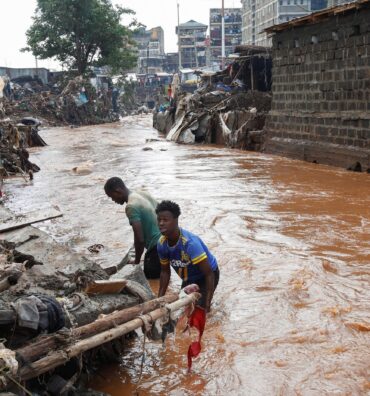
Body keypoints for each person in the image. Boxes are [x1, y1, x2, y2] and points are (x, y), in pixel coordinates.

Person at [156, 200, 219, 312]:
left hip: (207, 275)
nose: (161, 223)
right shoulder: (161, 244)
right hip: (188, 277)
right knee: (183, 307)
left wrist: (207, 305)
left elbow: (209, 273)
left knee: (199, 309)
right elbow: (165, 272)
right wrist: (158, 301)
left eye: (165, 220)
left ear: (175, 220)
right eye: (159, 220)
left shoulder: (190, 243)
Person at [104, 177, 161, 279]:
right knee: (163, 273)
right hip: (167, 241)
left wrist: (137, 262)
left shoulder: (131, 206)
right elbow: (162, 210)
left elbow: (139, 239)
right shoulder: (142, 193)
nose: (113, 200)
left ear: (118, 191)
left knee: (151, 280)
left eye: (112, 197)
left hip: (156, 248)